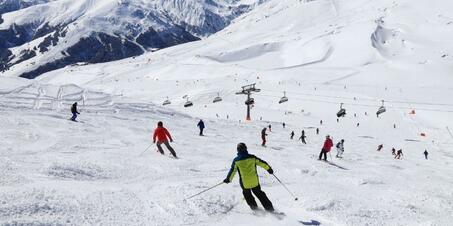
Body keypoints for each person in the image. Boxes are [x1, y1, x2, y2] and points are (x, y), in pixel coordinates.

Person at [223, 143, 275, 212]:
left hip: (245, 183)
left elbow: (232, 170)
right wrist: (269, 169)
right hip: (254, 181)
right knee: (259, 194)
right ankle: (269, 209)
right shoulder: (252, 157)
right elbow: (262, 163)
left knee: (247, 194)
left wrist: (228, 179)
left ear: (238, 150)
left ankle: (255, 209)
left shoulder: (236, 160)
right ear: (246, 149)